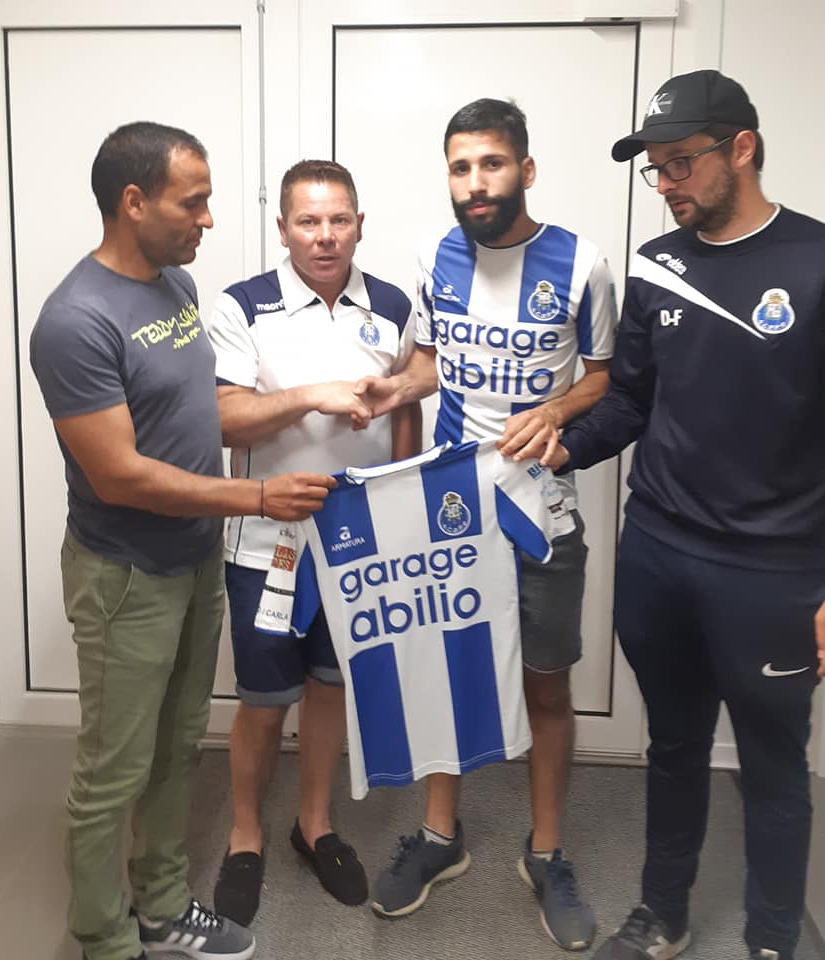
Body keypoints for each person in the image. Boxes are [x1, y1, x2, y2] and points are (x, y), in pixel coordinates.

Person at [30, 122, 335, 960]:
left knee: (176, 750)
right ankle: (104, 938)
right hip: (125, 577)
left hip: (194, 560)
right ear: (134, 203)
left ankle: (162, 905)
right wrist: (257, 496)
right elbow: (119, 476)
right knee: (113, 769)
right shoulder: (75, 320)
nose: (208, 219)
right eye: (192, 202)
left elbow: (197, 413)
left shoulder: (175, 287)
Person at [544, 70, 825, 960]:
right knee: (673, 744)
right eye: (654, 168)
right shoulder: (656, 262)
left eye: (680, 163)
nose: (665, 184)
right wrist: (563, 447)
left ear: (742, 149)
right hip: (659, 553)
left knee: (773, 764)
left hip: (774, 573)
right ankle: (662, 912)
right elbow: (631, 400)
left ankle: (773, 938)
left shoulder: (815, 262)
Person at [355, 98, 616, 951]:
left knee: (546, 684)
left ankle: (546, 854)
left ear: (525, 170)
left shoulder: (582, 264)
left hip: (542, 510)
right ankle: (441, 837)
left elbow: (603, 375)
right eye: (461, 167)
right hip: (451, 513)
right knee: (447, 671)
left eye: (492, 163)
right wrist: (394, 389)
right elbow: (433, 364)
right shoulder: (435, 256)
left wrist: (556, 409)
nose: (475, 182)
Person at [206, 159, 421, 926]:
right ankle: (244, 836)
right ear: (284, 229)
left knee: (333, 688)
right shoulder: (244, 306)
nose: (324, 236)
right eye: (308, 221)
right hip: (266, 544)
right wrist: (310, 397)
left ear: (359, 225)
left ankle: (314, 824)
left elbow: (406, 404)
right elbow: (225, 418)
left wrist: (399, 499)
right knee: (265, 703)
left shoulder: (392, 305)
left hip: (357, 546)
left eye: (338, 220)